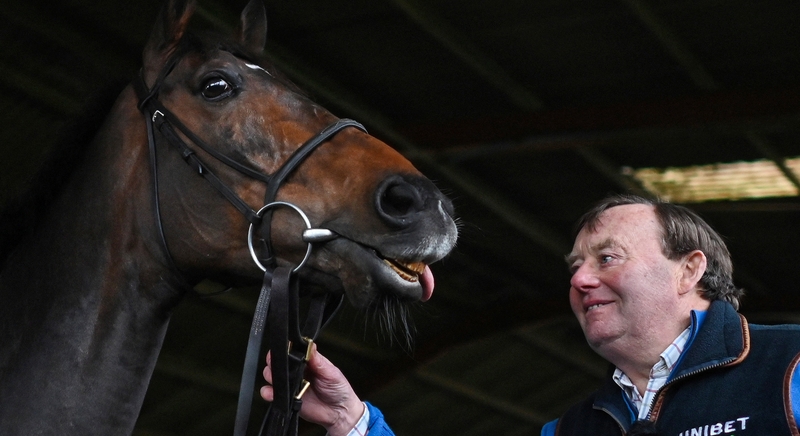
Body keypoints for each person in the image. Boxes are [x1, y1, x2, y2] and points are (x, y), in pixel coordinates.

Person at [261, 194, 800, 435]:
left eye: (607, 258)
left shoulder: (789, 369)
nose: (580, 279)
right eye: (576, 266)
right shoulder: (572, 429)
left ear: (688, 271)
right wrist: (351, 423)